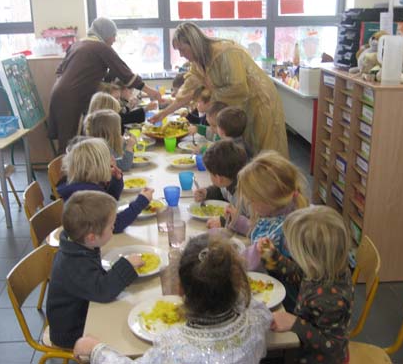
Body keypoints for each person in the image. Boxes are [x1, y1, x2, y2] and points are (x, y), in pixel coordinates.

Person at [73, 232, 273, 363]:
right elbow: (260, 311)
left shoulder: (171, 347)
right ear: (238, 282)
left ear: (180, 290)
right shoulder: (257, 321)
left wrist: (96, 349)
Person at [149, 22, 288, 157]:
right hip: (241, 105)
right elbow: (188, 91)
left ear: (193, 43)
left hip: (260, 102)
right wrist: (164, 113)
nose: (181, 55)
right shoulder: (198, 61)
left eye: (182, 49)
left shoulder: (224, 52)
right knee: (243, 147)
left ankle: (267, 179)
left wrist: (211, 95)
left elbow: (239, 88)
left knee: (264, 149)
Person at [48, 17, 161, 154]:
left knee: (66, 139)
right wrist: (150, 92)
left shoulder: (78, 44)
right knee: (71, 142)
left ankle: (69, 171)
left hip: (58, 93)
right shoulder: (101, 47)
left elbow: (59, 71)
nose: (114, 40)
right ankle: (66, 173)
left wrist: (88, 81)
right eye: (113, 35)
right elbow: (125, 73)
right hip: (72, 98)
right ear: (105, 33)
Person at [47, 190, 144, 348]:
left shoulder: (78, 245)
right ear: (92, 237)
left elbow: (94, 281)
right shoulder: (74, 264)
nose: (114, 229)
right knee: (127, 335)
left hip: (83, 309)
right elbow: (102, 291)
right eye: (111, 227)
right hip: (72, 331)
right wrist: (127, 265)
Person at [257, 206, 353, 364]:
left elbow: (330, 346)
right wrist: (273, 257)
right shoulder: (325, 267)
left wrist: (295, 323)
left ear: (311, 258)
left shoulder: (330, 299)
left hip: (319, 358)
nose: (287, 247)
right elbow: (298, 274)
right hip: (305, 341)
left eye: (292, 247)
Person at [231, 150, 309, 310]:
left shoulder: (284, 232)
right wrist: (238, 222)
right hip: (273, 284)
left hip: (286, 301)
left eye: (253, 201)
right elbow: (261, 229)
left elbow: (248, 262)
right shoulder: (281, 209)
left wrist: (228, 261)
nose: (250, 205)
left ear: (269, 201)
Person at [57, 137, 153, 233]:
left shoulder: (85, 184)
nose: (113, 160)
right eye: (109, 159)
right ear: (97, 167)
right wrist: (141, 202)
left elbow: (109, 203)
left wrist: (116, 181)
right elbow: (115, 225)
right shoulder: (87, 196)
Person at [194, 139, 249, 232]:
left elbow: (256, 225)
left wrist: (225, 222)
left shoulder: (247, 195)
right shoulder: (229, 181)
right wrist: (207, 193)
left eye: (210, 174)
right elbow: (221, 190)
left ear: (219, 178)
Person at [86, 98, 135, 171]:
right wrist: (129, 147)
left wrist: (124, 142)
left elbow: (118, 155)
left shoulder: (102, 142)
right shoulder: (102, 148)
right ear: (111, 132)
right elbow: (124, 165)